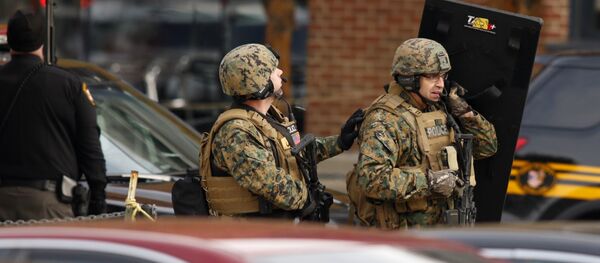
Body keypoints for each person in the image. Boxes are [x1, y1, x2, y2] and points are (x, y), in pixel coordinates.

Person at [348, 38, 497, 229]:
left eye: (443, 76)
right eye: (432, 76)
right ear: (409, 78)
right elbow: (371, 179)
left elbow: (486, 148)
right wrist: (430, 181)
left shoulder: (437, 109)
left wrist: (465, 113)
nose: (441, 84)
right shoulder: (385, 119)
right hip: (402, 236)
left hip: (438, 229)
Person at [201, 43, 363, 218]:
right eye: (273, 70)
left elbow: (292, 156)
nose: (280, 72)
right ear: (260, 83)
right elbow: (271, 185)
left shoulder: (269, 118)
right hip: (249, 237)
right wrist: (309, 197)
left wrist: (339, 142)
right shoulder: (235, 133)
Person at [0, 10, 107, 221]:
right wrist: (98, 199)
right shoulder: (68, 85)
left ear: (9, 40)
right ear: (43, 41)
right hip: (49, 204)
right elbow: (90, 147)